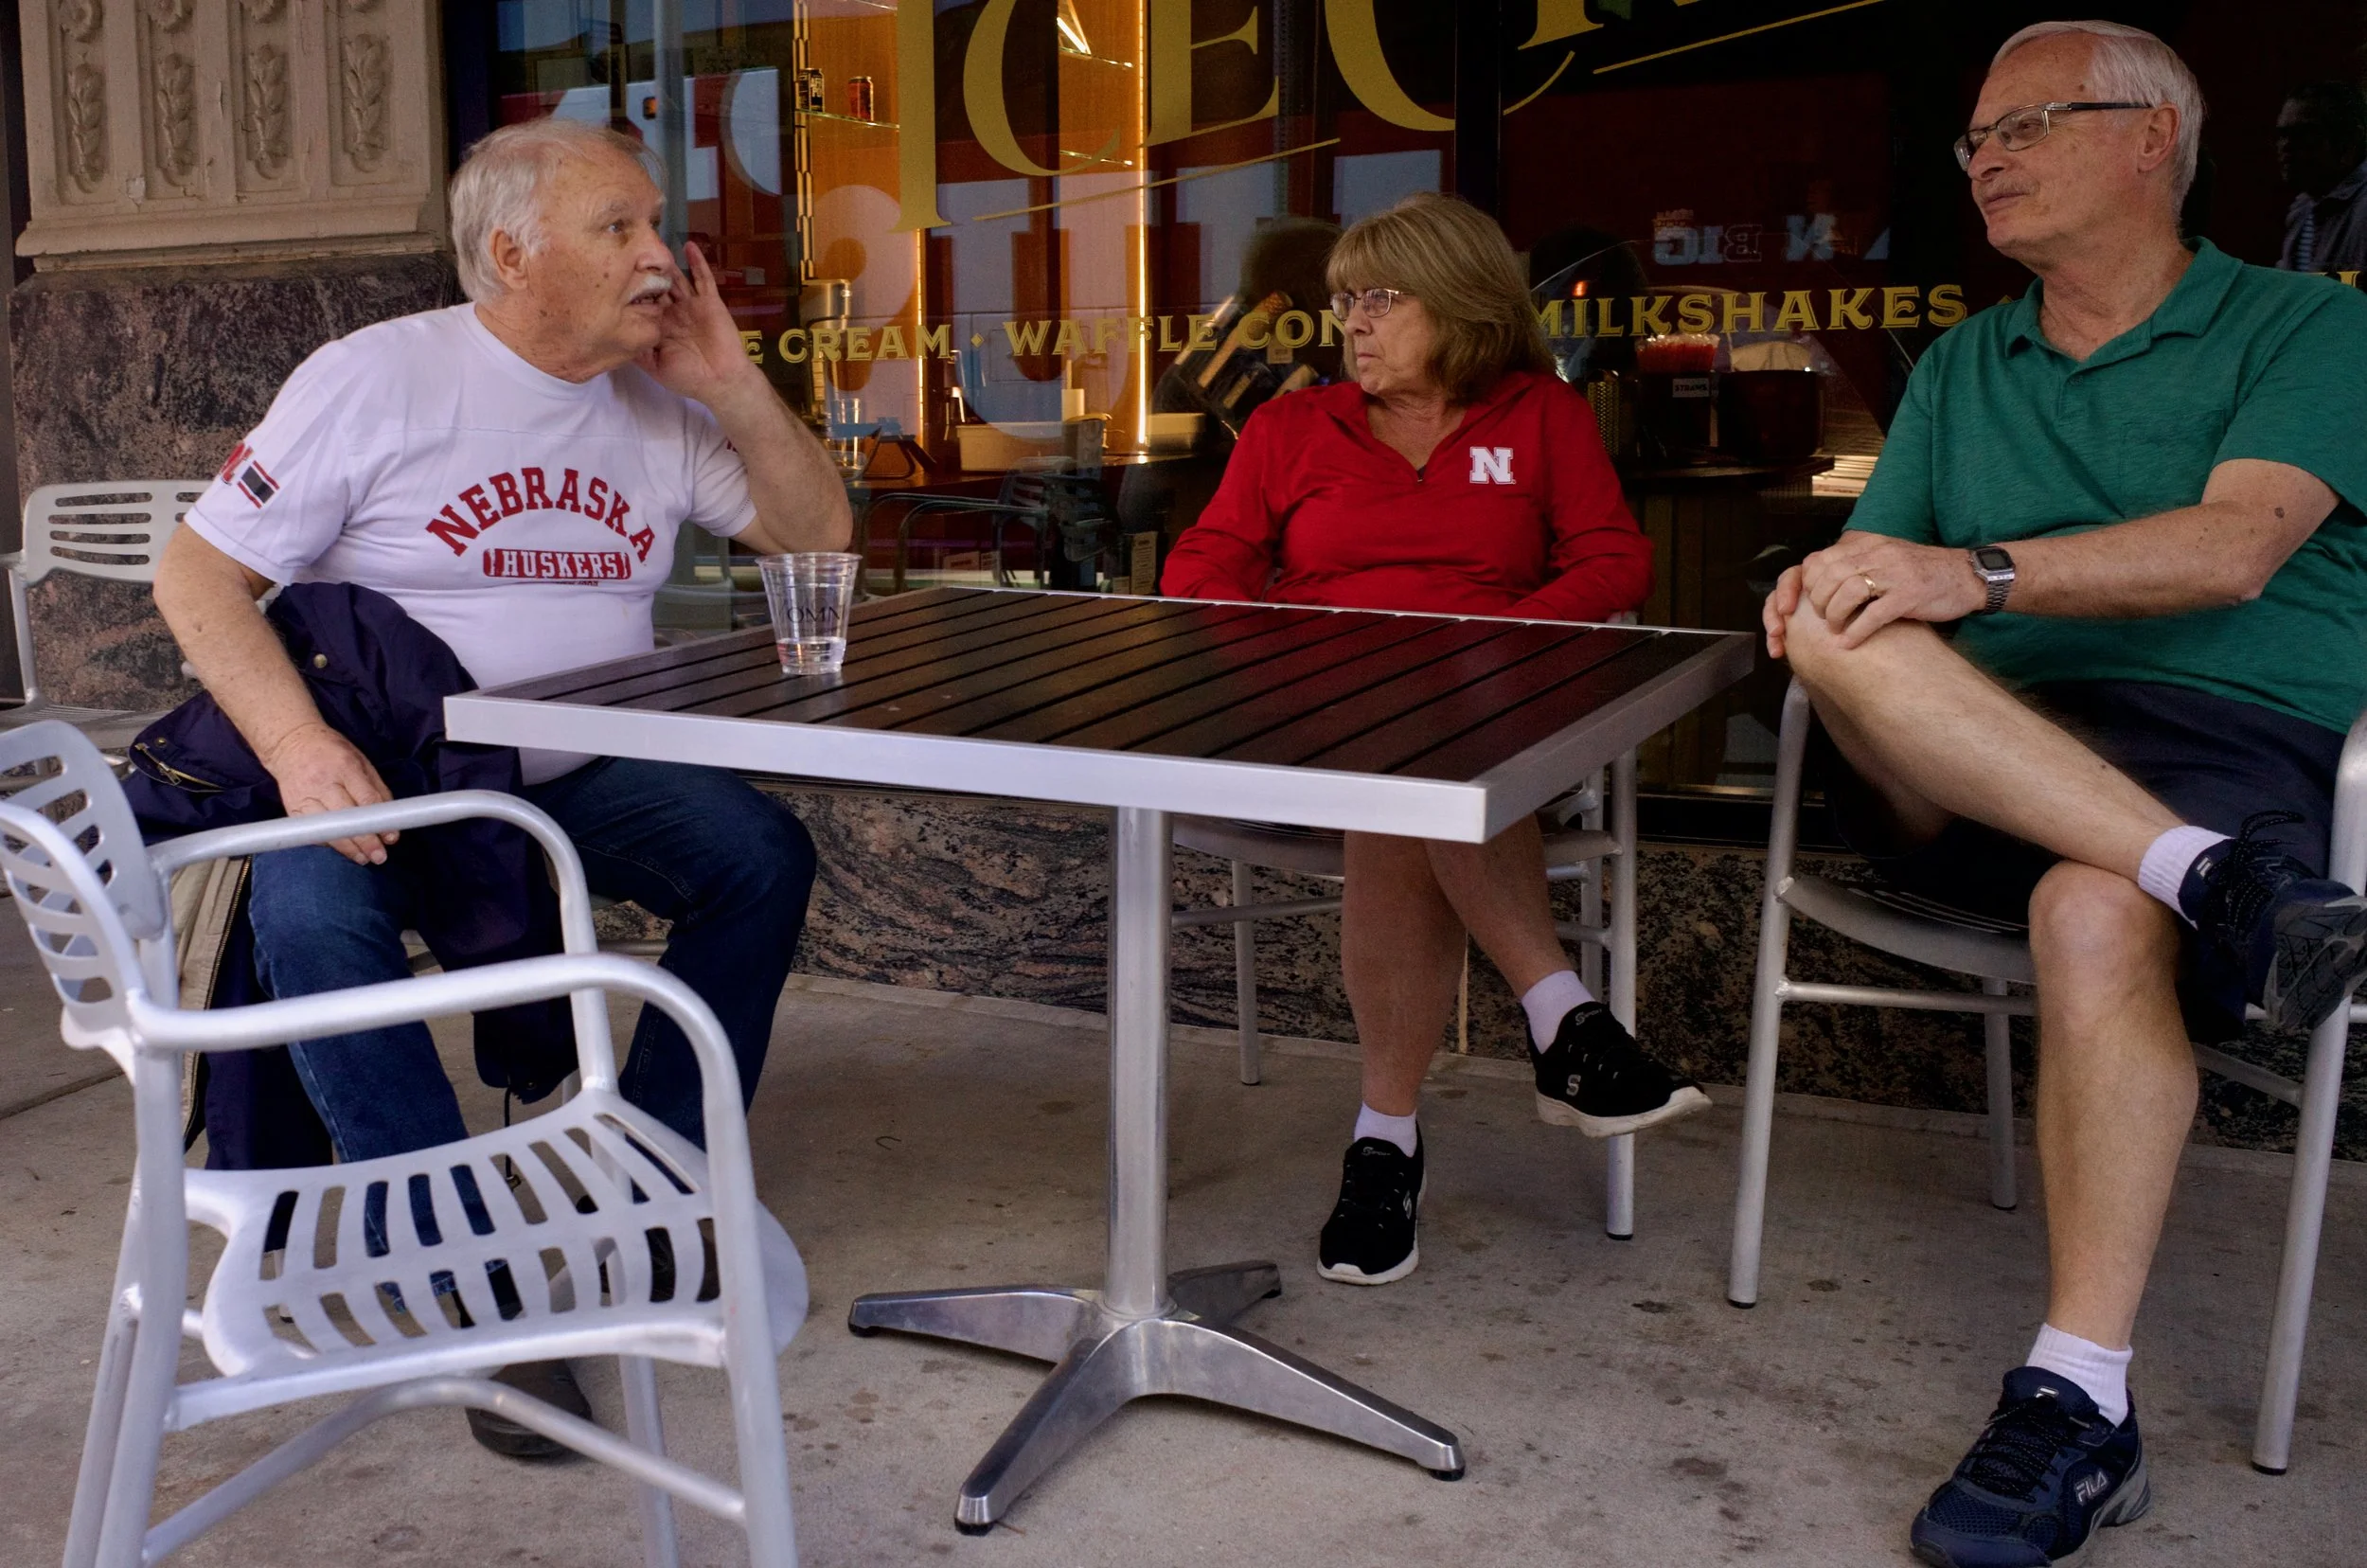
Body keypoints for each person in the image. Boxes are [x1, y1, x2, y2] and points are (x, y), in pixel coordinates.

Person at [1758, 22, 2367, 1566]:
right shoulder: (1966, 361)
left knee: (2096, 905)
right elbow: (1871, 585)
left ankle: (2079, 1400)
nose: (1986, 159)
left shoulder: (2307, 327)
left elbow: (2236, 549)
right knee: (1832, 625)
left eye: (2026, 125)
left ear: (2154, 138)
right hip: (1966, 749)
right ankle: (2222, 883)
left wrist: (1974, 571)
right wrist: (1826, 593)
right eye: (1975, 138)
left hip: (2222, 730)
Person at [151, 117, 851, 1456]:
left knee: (758, 856)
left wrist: (738, 388)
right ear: (514, 256)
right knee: (312, 921)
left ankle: (650, 1188)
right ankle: (457, 1282)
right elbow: (199, 578)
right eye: (623, 230)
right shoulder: (378, 378)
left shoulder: (656, 397)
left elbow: (819, 546)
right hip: (393, 773)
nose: (663, 256)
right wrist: (300, 753)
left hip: (574, 774)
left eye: (657, 223)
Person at [1160, 192, 1705, 1290]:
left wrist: (1500, 636)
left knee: (1422, 765)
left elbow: (1613, 563)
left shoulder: (1538, 418)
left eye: (1376, 298)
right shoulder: (1287, 430)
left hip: (1479, 708)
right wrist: (1282, 647)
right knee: (1407, 757)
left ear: (1456, 307)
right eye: (1341, 303)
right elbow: (1200, 567)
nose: (1348, 324)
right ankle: (1562, 1019)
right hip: (1320, 713)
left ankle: (1386, 1140)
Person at [2275, 80, 2367, 276]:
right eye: (2282, 135)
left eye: (2303, 134)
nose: (2286, 146)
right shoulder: (2303, 210)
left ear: (2349, 140)